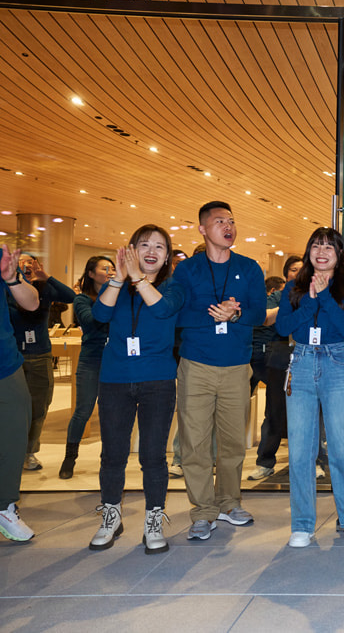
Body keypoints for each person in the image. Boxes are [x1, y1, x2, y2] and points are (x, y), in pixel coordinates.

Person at [88, 226, 185, 553]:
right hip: (114, 377)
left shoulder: (173, 285)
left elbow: (162, 310)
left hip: (157, 380)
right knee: (113, 453)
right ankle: (111, 516)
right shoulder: (119, 285)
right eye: (144, 245)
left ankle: (153, 519)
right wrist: (118, 278)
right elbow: (100, 314)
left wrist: (139, 279)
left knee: (152, 455)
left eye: (159, 246)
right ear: (131, 250)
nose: (151, 251)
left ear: (167, 255)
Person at [172, 201, 266, 541]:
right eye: (219, 221)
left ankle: (229, 503)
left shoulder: (250, 268)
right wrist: (214, 314)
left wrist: (237, 315)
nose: (228, 226)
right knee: (195, 443)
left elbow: (259, 312)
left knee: (232, 443)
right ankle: (202, 511)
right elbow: (175, 314)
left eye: (231, 221)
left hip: (236, 367)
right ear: (202, 229)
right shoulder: (186, 271)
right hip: (196, 365)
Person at [275, 228, 344, 546]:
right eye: (316, 245)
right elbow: (283, 326)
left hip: (337, 364)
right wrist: (310, 301)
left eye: (330, 246)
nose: (322, 250)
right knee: (300, 450)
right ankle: (302, 524)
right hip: (300, 364)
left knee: (343, 447)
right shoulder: (292, 287)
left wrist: (324, 296)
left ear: (339, 254)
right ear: (308, 251)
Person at [9, 253, 76, 470]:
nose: (27, 265)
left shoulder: (44, 288)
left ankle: (29, 452)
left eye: (31, 262)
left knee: (39, 407)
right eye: (23, 262)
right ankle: (12, 452)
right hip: (13, 356)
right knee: (13, 408)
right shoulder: (7, 287)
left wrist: (47, 277)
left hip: (40, 354)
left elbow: (70, 297)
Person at [59, 255, 116, 479]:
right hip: (91, 360)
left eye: (112, 268)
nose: (110, 271)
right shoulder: (83, 299)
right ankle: (69, 458)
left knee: (110, 413)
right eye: (105, 268)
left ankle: (108, 461)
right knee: (83, 410)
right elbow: (93, 323)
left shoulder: (119, 298)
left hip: (114, 362)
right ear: (91, 274)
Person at [248, 256, 301, 480]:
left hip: (307, 355)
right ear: (286, 273)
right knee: (274, 410)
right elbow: (266, 319)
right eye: (293, 270)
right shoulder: (278, 296)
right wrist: (289, 308)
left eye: (301, 269)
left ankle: (313, 460)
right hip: (279, 355)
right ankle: (265, 461)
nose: (297, 274)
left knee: (308, 412)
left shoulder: (316, 293)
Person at [0, 244, 40, 542]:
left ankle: (4, 505)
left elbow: (32, 302)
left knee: (14, 435)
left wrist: (12, 278)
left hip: (5, 362)